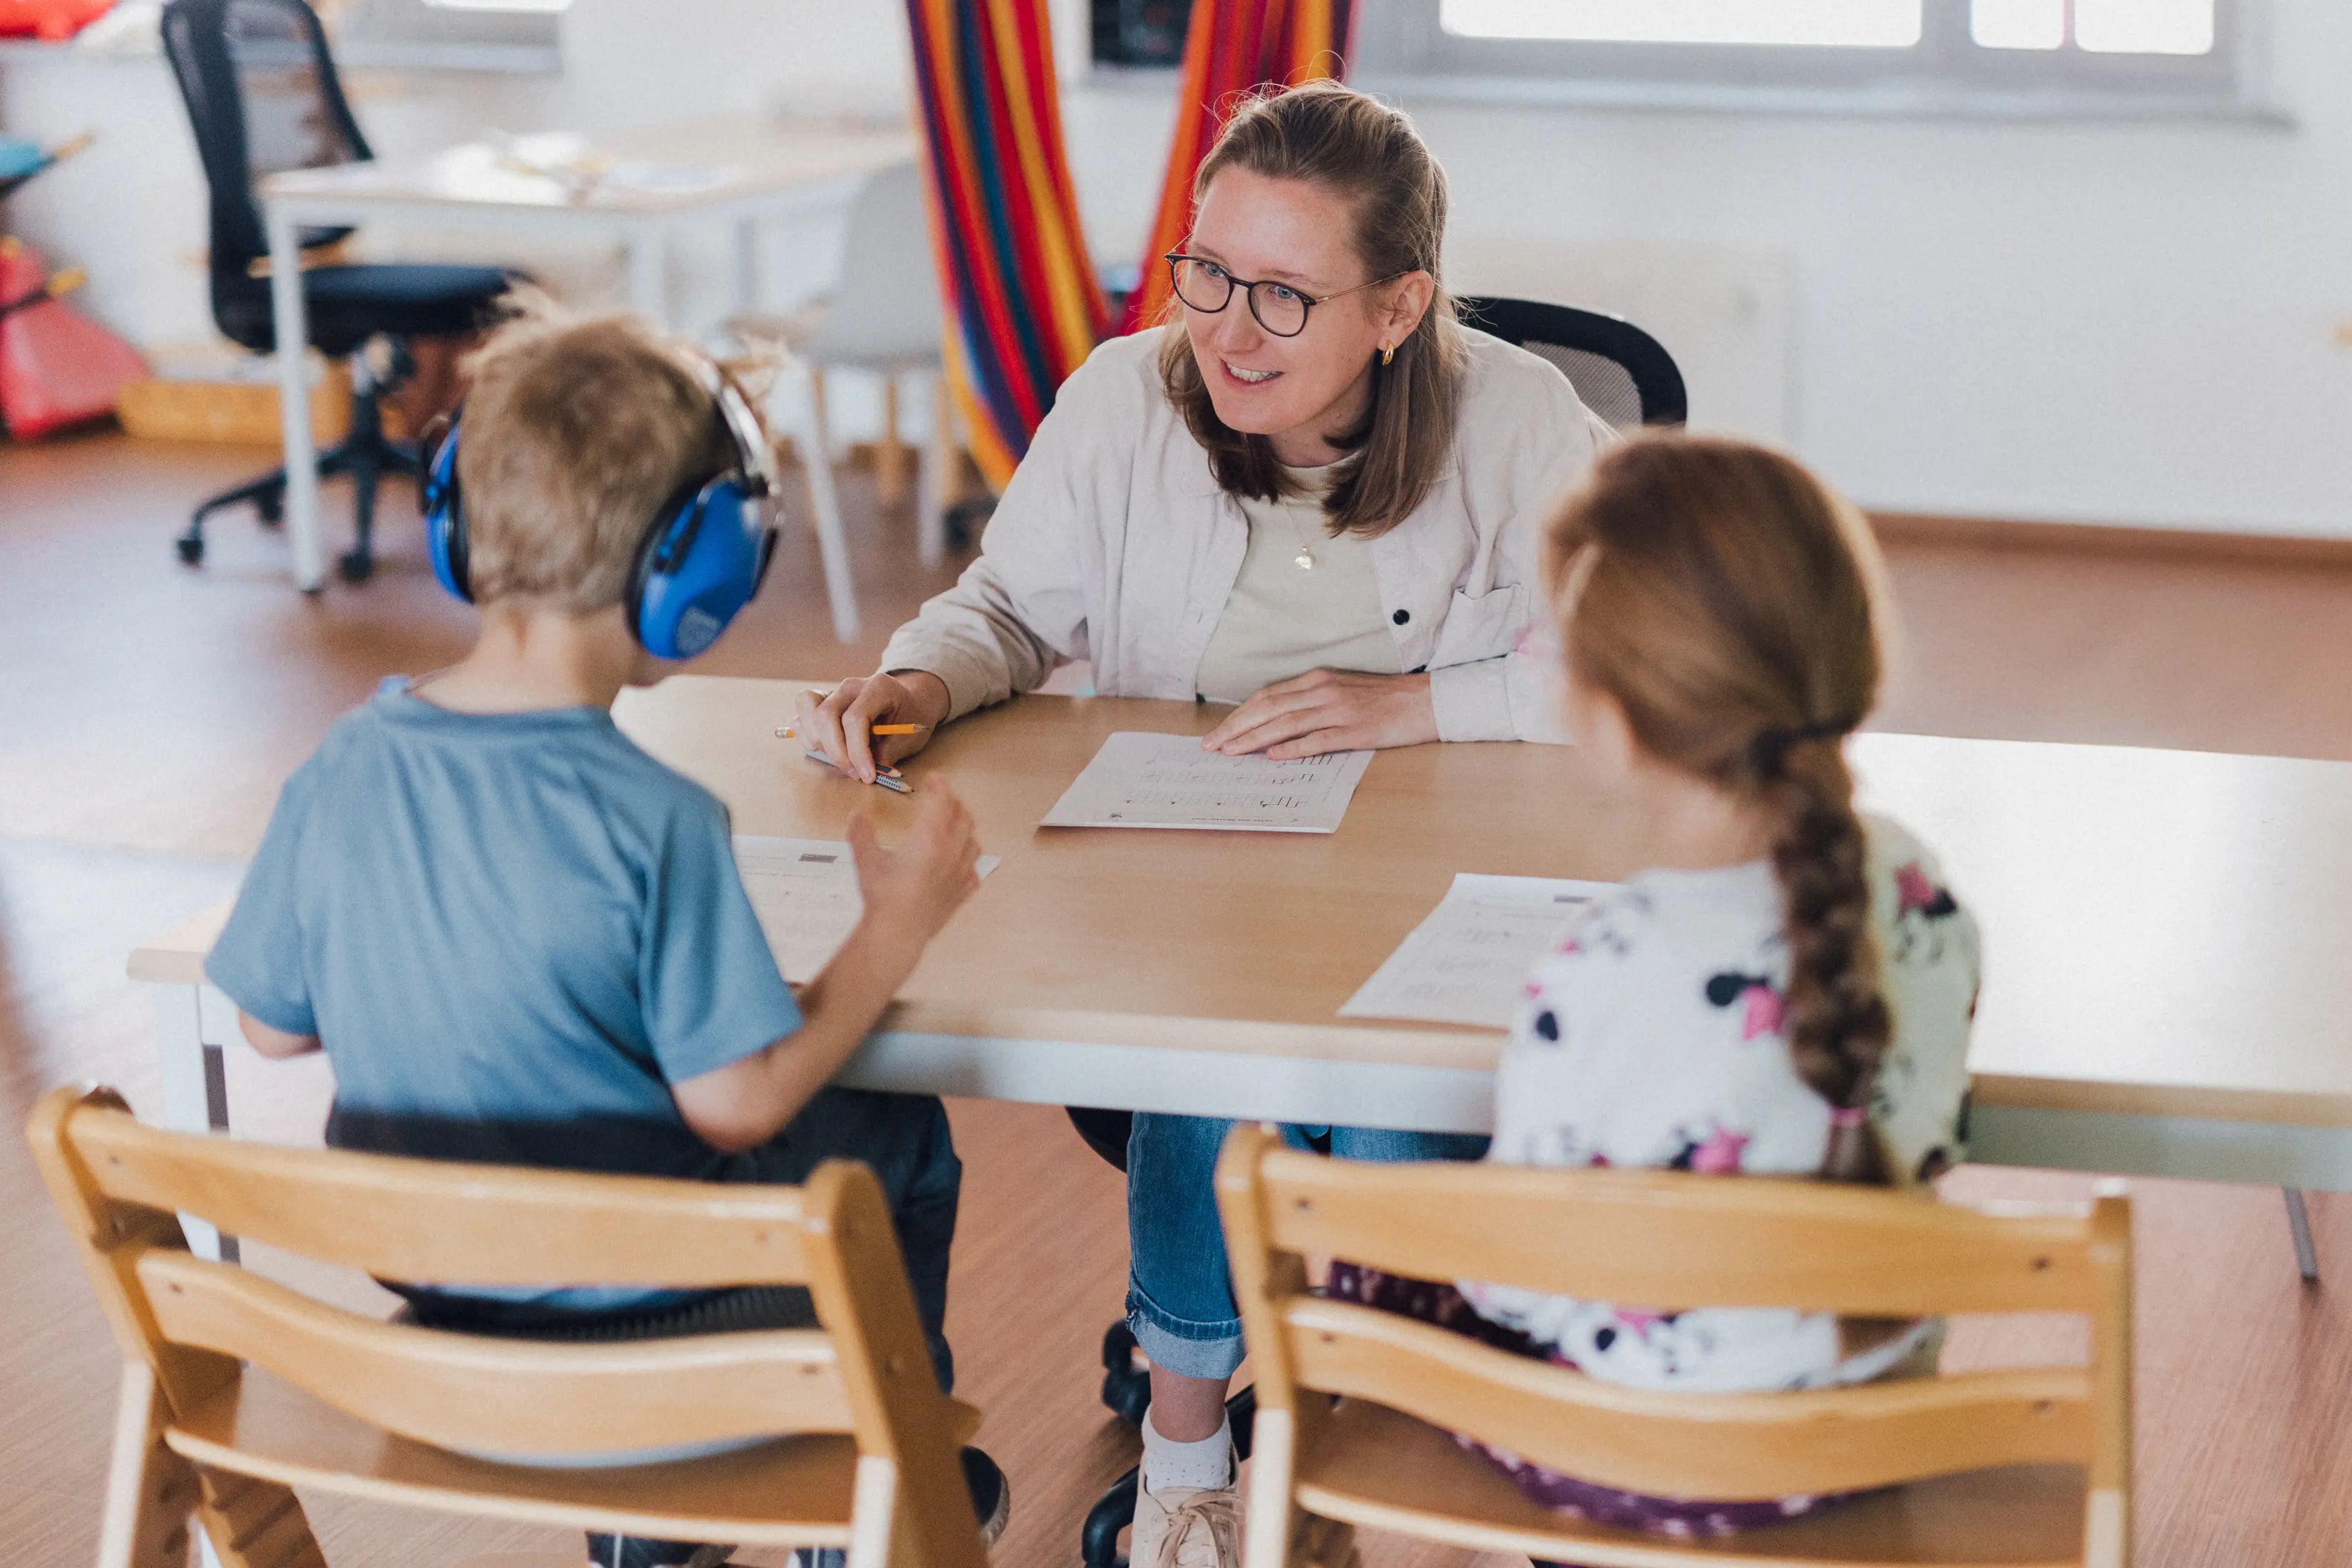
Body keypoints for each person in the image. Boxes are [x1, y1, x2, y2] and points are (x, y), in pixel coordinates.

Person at [798, 81, 1615, 1568]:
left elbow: (1637, 658)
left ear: (1399, 305)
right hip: (1199, 882)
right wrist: (921, 676)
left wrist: (1413, 704)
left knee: (1383, 1101)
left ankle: (1334, 1450)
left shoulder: (1515, 416)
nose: (1228, 331)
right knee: (1208, 1047)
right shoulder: (1127, 395)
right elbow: (1004, 609)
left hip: (1437, 893)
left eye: (1285, 296)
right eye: (1208, 272)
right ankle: (1192, 1453)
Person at [201, 308, 1006, 1568]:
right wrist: (895, 928)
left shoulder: (341, 765)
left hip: (437, 1317)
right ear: (702, 570)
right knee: (897, 1137)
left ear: (458, 524)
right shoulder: (655, 819)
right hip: (656, 1333)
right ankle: (872, 1482)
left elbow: (267, 1020)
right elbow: (740, 1102)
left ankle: (654, 1535)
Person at [1328, 432, 1984, 1539]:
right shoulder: (1915, 885)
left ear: (1613, 722)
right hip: (1866, 1435)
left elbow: (1520, 1289)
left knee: (1360, 1275)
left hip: (1638, 1464)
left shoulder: (1602, 968)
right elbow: (1935, 1134)